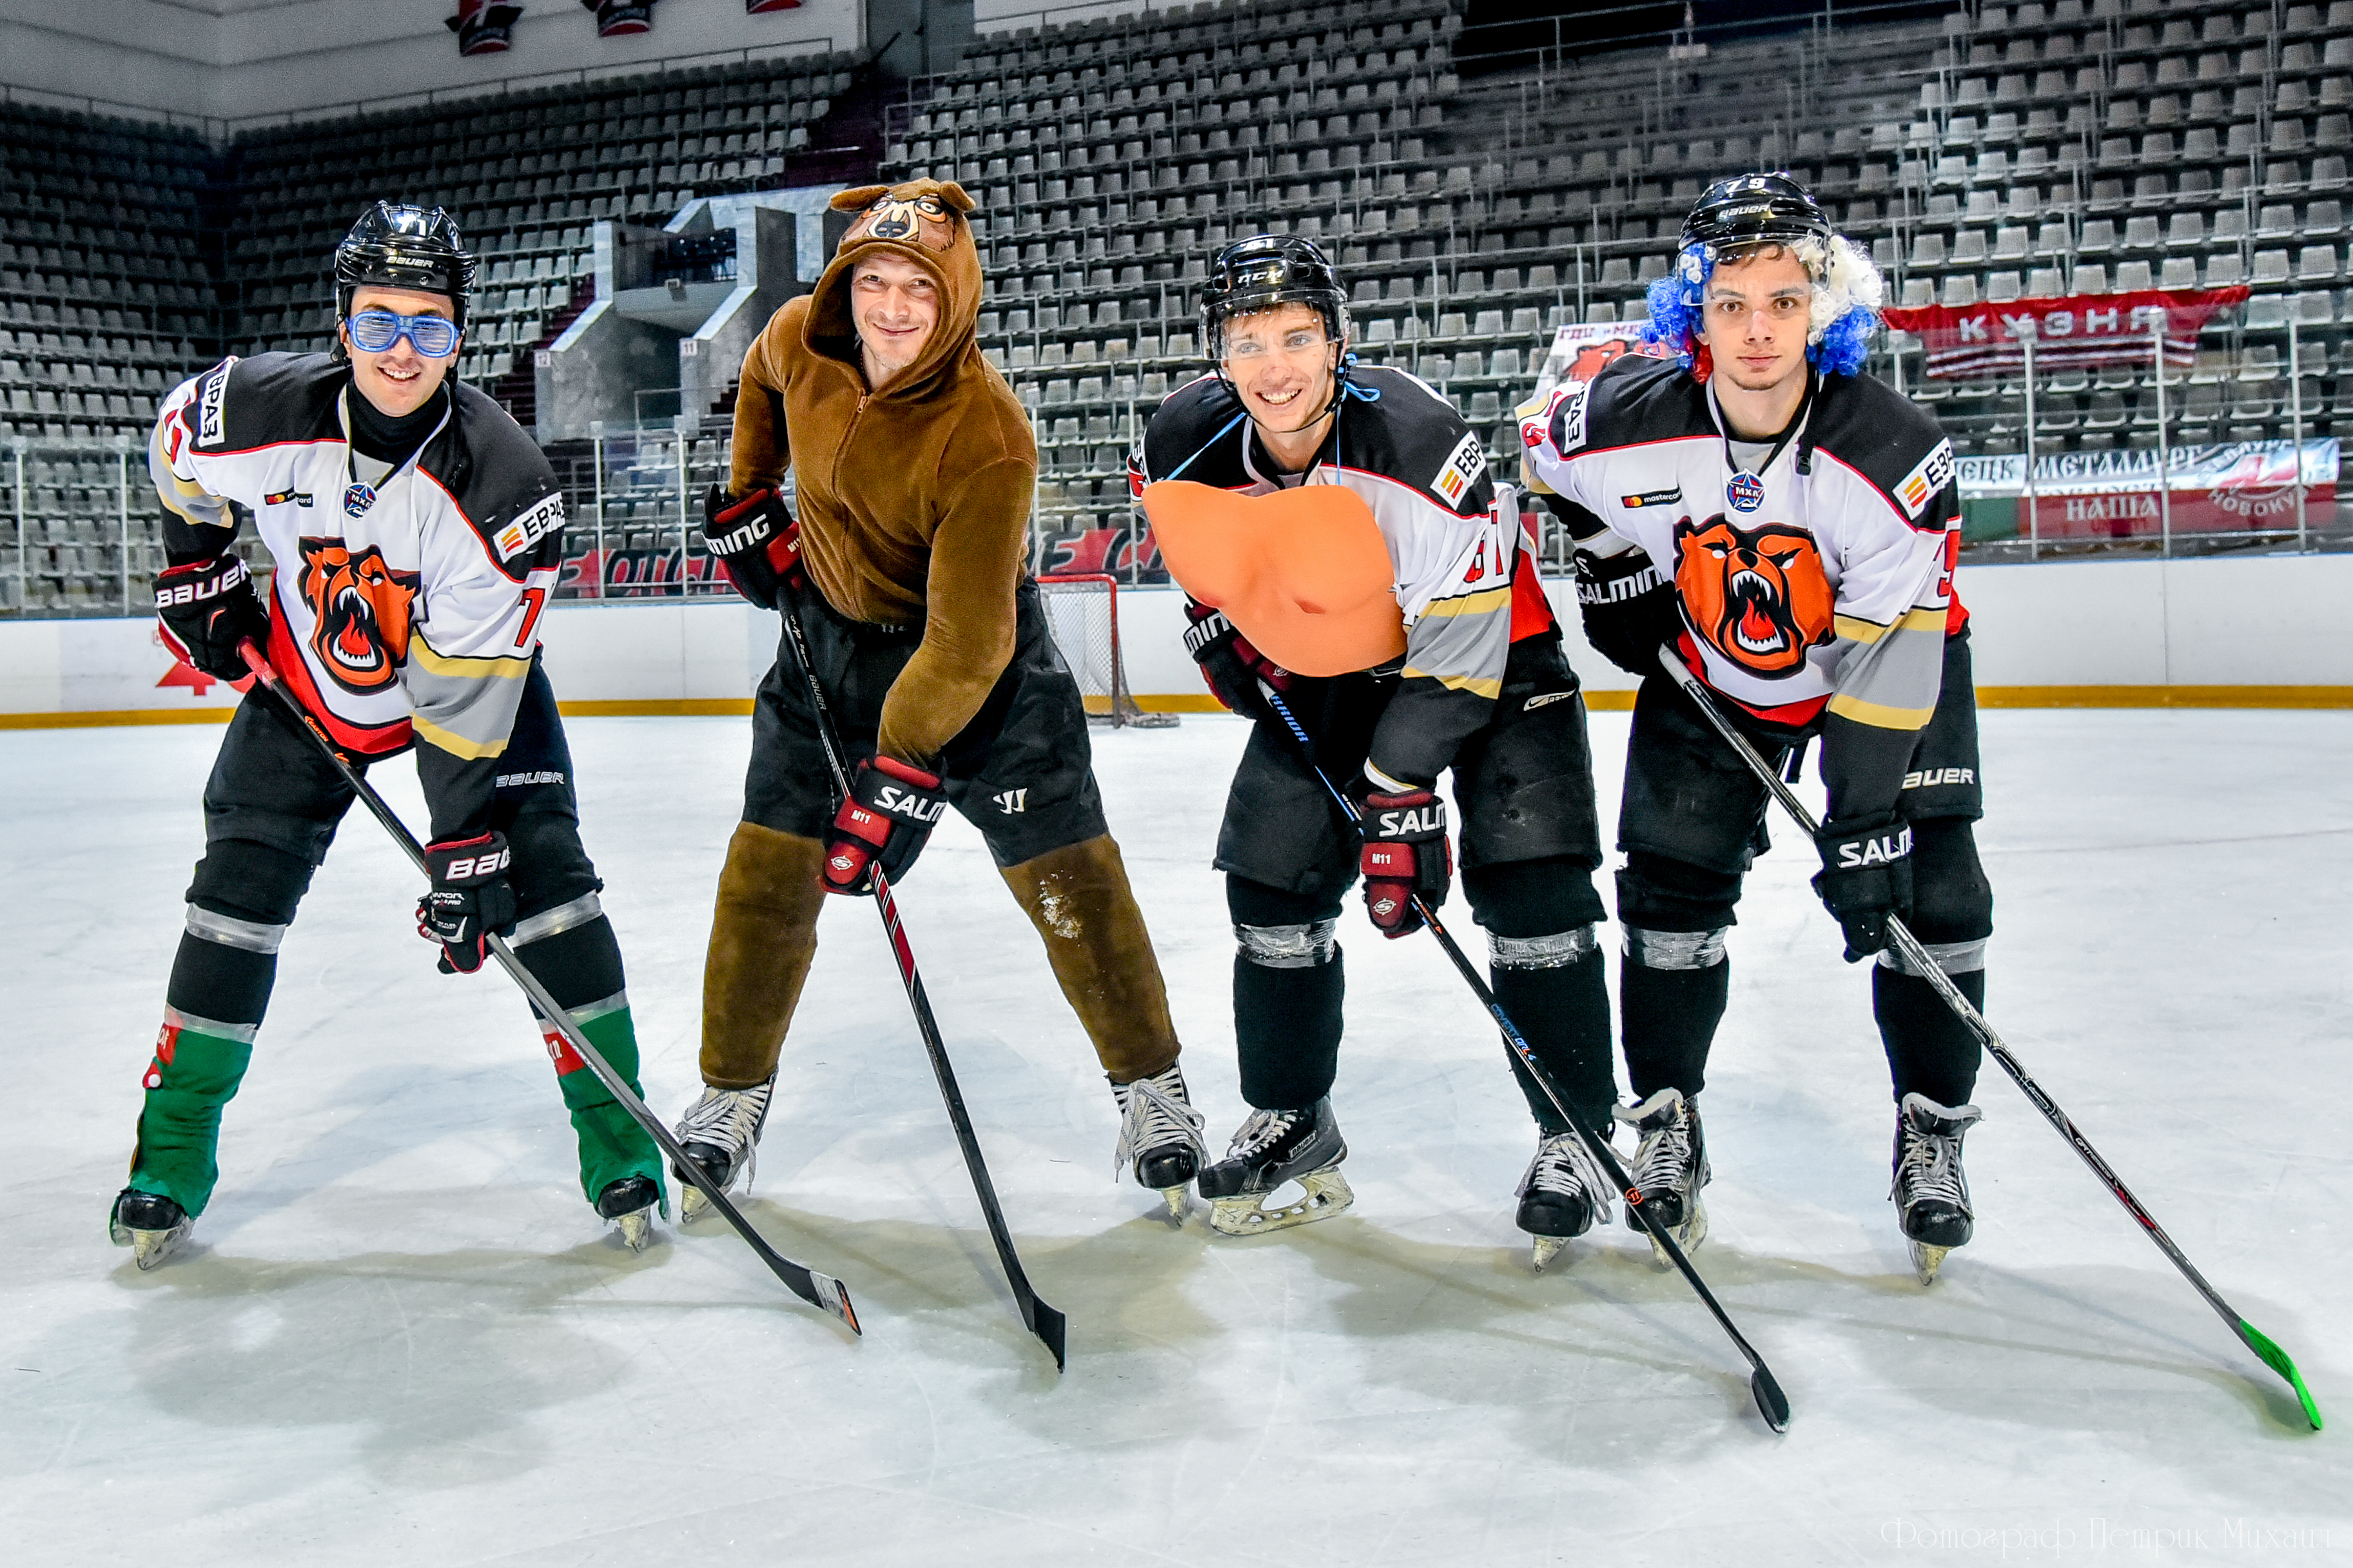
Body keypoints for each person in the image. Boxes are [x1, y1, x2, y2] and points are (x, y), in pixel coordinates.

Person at [110, 202, 666, 1269]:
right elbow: (174, 441)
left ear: (460, 336)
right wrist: (200, 567)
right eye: (377, 323)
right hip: (307, 687)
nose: (401, 351)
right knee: (232, 904)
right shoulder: (255, 411)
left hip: (470, 695)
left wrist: (467, 850)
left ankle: (620, 1147)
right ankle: (169, 1160)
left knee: (549, 888)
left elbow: (463, 700)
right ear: (341, 325)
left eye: (429, 325)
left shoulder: (502, 485)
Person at [676, 180, 1203, 1219]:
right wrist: (748, 493)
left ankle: (1153, 1089)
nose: (890, 307)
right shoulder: (800, 341)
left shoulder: (988, 432)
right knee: (764, 878)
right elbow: (758, 378)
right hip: (824, 648)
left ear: (954, 295)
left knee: (1072, 884)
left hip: (987, 675)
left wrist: (897, 770)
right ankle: (730, 1094)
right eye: (871, 280)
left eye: (916, 286)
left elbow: (967, 641)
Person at [1520, 173, 1992, 1282]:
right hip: (1711, 670)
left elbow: (1886, 669)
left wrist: (1867, 823)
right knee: (1668, 894)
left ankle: (1931, 1127)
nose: (1757, 330)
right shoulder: (1621, 422)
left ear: (1823, 310)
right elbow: (1542, 457)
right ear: (1694, 315)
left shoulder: (1890, 453)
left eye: (1783, 300)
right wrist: (1601, 567)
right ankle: (1667, 1115)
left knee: (1937, 891)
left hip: (1890, 664)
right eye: (1729, 304)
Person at [1133, 235, 1620, 1263]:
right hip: (1333, 664)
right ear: (1216, 355)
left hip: (1493, 663)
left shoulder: (1415, 437)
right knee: (1269, 886)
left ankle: (1572, 1134)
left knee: (1532, 892)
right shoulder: (1184, 433)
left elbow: (1462, 645)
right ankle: (1291, 1113)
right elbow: (1208, 555)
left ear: (1338, 341)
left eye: (1297, 337)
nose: (1274, 365)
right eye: (1248, 340)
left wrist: (1399, 793)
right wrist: (1223, 622)